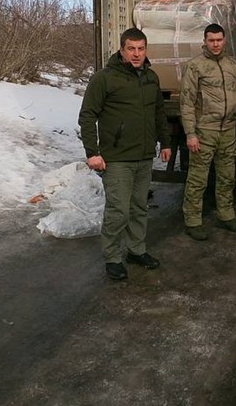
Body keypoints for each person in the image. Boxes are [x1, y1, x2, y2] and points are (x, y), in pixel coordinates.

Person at [78, 27, 172, 281]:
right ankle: (112, 257)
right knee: (119, 210)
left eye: (141, 49)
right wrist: (92, 152)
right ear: (121, 50)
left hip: (143, 156)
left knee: (139, 207)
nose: (136, 54)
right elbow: (87, 115)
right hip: (117, 157)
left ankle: (136, 250)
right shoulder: (105, 78)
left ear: (146, 50)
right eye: (131, 48)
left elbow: (158, 114)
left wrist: (165, 142)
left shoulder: (151, 77)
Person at [179, 23, 236, 240]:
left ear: (224, 41)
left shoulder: (232, 65)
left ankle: (226, 215)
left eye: (219, 40)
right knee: (198, 178)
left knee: (227, 177)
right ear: (205, 41)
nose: (215, 44)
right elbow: (187, 103)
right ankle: (192, 221)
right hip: (205, 130)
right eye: (211, 40)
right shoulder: (195, 66)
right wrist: (190, 133)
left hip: (228, 129)